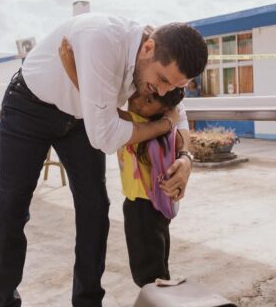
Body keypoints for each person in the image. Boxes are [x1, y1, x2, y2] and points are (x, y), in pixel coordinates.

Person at [0, 13, 208, 307]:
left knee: (95, 210)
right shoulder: (101, 39)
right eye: (162, 80)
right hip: (30, 107)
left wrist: (186, 157)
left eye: (174, 85)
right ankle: (2, 302)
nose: (163, 90)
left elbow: (177, 110)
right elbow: (106, 137)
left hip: (83, 120)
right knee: (12, 207)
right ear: (148, 48)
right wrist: (161, 126)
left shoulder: (163, 58)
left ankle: (87, 302)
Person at [59, 38, 185, 287]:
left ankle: (159, 298)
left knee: (147, 273)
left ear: (161, 111)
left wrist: (71, 68)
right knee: (157, 265)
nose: (138, 101)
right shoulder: (161, 127)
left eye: (148, 102)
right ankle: (163, 294)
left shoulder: (141, 123)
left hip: (143, 207)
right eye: (142, 95)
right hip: (152, 207)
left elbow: (98, 105)